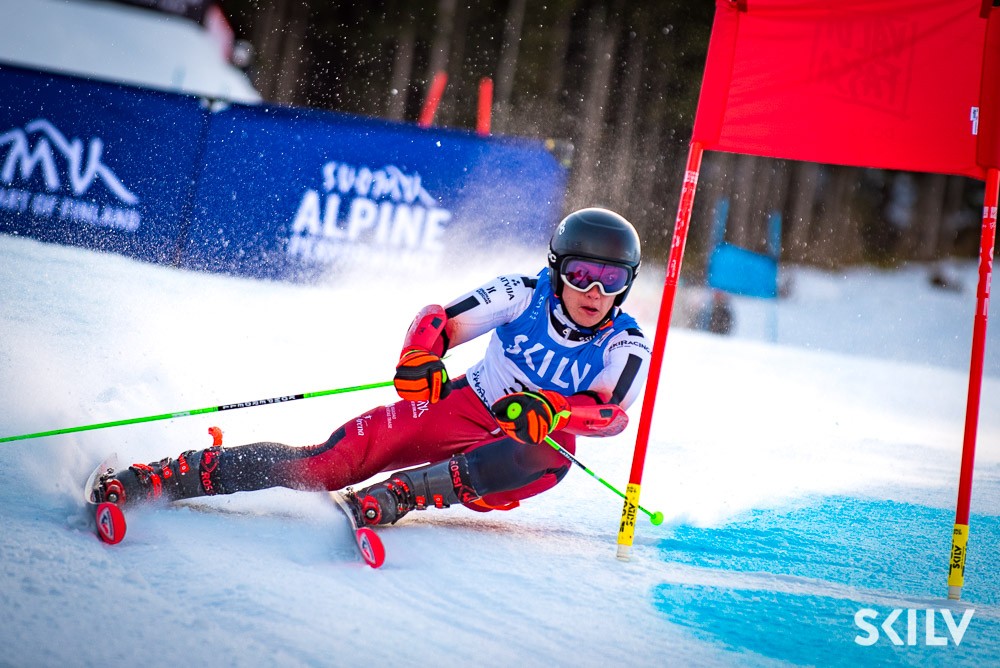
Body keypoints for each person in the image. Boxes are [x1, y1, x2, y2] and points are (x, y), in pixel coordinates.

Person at [96, 207, 651, 527]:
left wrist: (555, 411)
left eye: (611, 279)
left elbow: (610, 414)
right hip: (461, 407)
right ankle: (167, 475)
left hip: (515, 451)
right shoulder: (520, 292)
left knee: (554, 450)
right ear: (556, 268)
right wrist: (419, 357)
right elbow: (439, 321)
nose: (594, 291)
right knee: (325, 465)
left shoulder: (624, 343)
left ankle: (402, 494)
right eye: (581, 273)